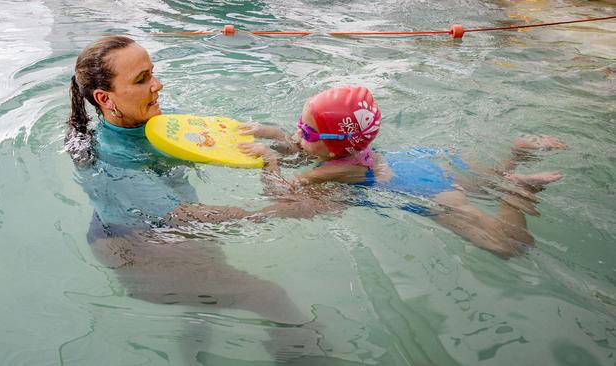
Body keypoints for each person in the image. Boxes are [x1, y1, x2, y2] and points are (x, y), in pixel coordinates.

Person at [65, 36, 317, 333]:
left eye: (153, 72)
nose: (157, 85)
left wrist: (283, 143)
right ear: (105, 99)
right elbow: (185, 215)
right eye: (142, 79)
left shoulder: (156, 124)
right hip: (139, 254)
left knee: (207, 306)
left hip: (167, 237)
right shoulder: (112, 159)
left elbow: (226, 147)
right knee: (268, 296)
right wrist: (276, 212)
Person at [171, 86, 565, 257]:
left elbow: (282, 192)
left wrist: (269, 160)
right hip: (423, 160)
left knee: (508, 245)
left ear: (332, 144)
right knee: (481, 178)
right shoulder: (350, 145)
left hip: (416, 188)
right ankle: (517, 158)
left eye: (306, 129)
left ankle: (520, 191)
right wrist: (269, 132)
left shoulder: (329, 172)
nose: (297, 132)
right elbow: (299, 144)